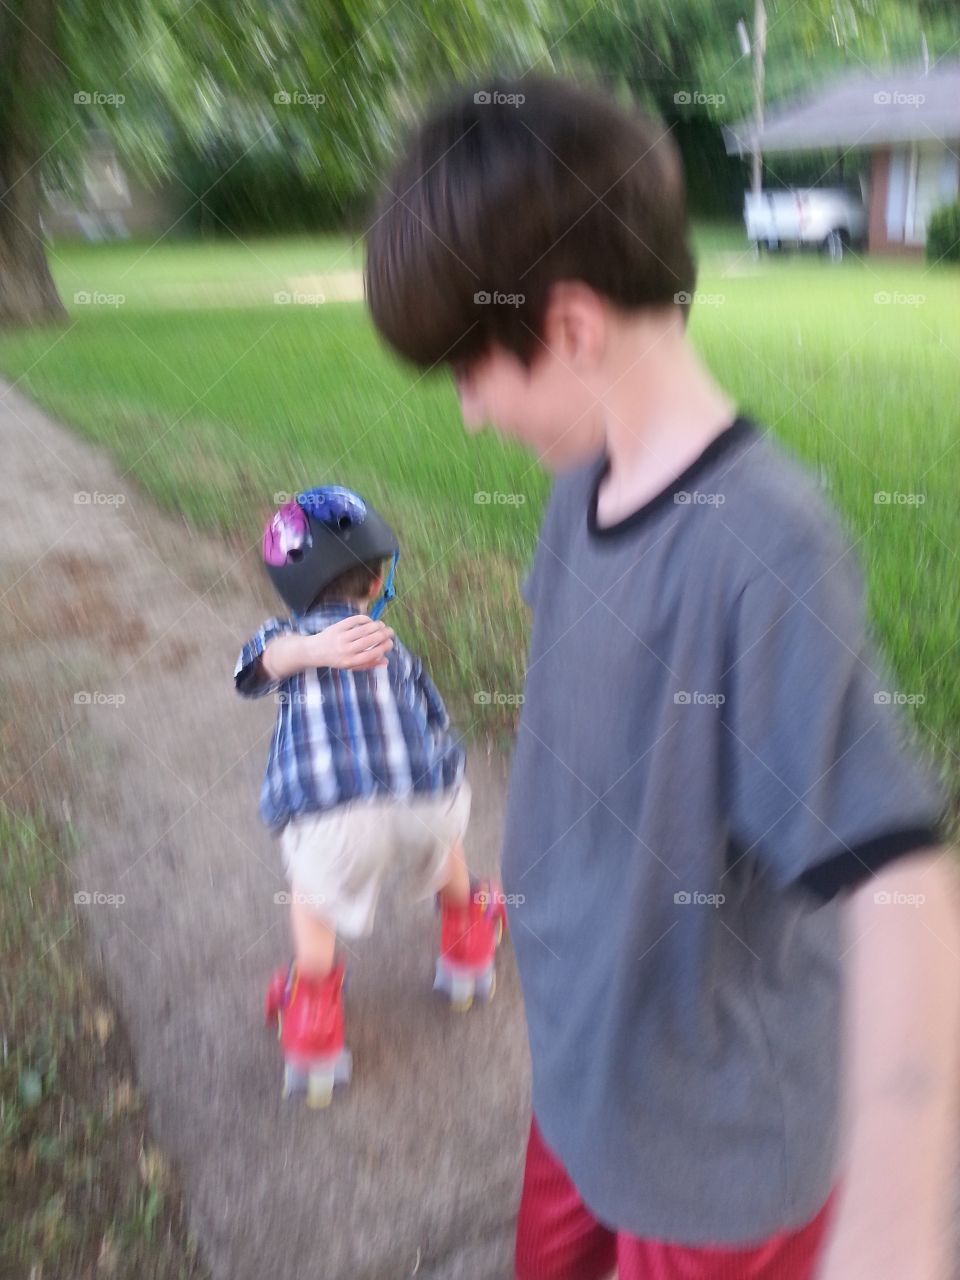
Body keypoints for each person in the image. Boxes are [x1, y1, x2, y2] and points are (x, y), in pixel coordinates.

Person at [363, 75, 960, 1279]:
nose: (471, 416)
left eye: (471, 373)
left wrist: (896, 1223)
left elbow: (901, 882)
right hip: (588, 1075)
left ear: (574, 326)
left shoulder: (767, 546)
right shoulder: (581, 487)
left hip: (719, 1150)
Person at [234, 485, 506, 1109]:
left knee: (312, 894)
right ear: (378, 578)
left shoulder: (283, 642)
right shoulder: (394, 648)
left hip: (334, 825)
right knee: (446, 847)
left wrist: (303, 652)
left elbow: (253, 666)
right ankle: (466, 942)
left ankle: (313, 1016)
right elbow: (436, 722)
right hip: (422, 809)